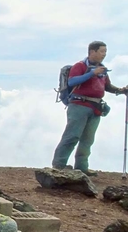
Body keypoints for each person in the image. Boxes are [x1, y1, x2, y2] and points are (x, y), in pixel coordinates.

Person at [52, 41, 128, 175]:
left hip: (95, 107)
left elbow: (107, 87)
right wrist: (92, 74)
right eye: (102, 51)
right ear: (92, 51)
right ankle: (58, 166)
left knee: (88, 139)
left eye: (105, 51)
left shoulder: (102, 69)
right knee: (72, 136)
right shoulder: (80, 66)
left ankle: (81, 167)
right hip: (78, 105)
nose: (104, 54)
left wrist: (121, 90)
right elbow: (72, 81)